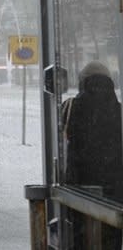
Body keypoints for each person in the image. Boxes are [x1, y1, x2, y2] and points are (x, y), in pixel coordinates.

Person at [62, 60, 123, 249]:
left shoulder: (69, 107)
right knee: (110, 239)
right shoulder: (120, 111)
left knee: (81, 239)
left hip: (79, 189)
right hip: (115, 192)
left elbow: (61, 141)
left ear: (82, 82)